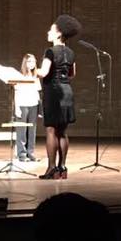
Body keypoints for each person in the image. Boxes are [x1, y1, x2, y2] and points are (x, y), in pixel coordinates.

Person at [37, 14, 81, 180]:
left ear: (58, 33)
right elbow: (72, 74)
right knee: (62, 131)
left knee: (50, 130)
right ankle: (62, 168)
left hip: (53, 92)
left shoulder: (50, 51)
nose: (48, 32)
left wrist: (33, 70)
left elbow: (44, 72)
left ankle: (51, 168)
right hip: (67, 91)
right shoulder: (70, 52)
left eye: (51, 29)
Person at [15, 53, 42, 162]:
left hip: (33, 105)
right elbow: (16, 93)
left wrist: (39, 109)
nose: (32, 64)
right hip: (22, 105)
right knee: (22, 130)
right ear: (25, 63)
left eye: (33, 61)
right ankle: (22, 154)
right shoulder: (19, 75)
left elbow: (38, 93)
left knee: (32, 130)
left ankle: (30, 153)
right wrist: (17, 108)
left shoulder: (35, 76)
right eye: (29, 61)